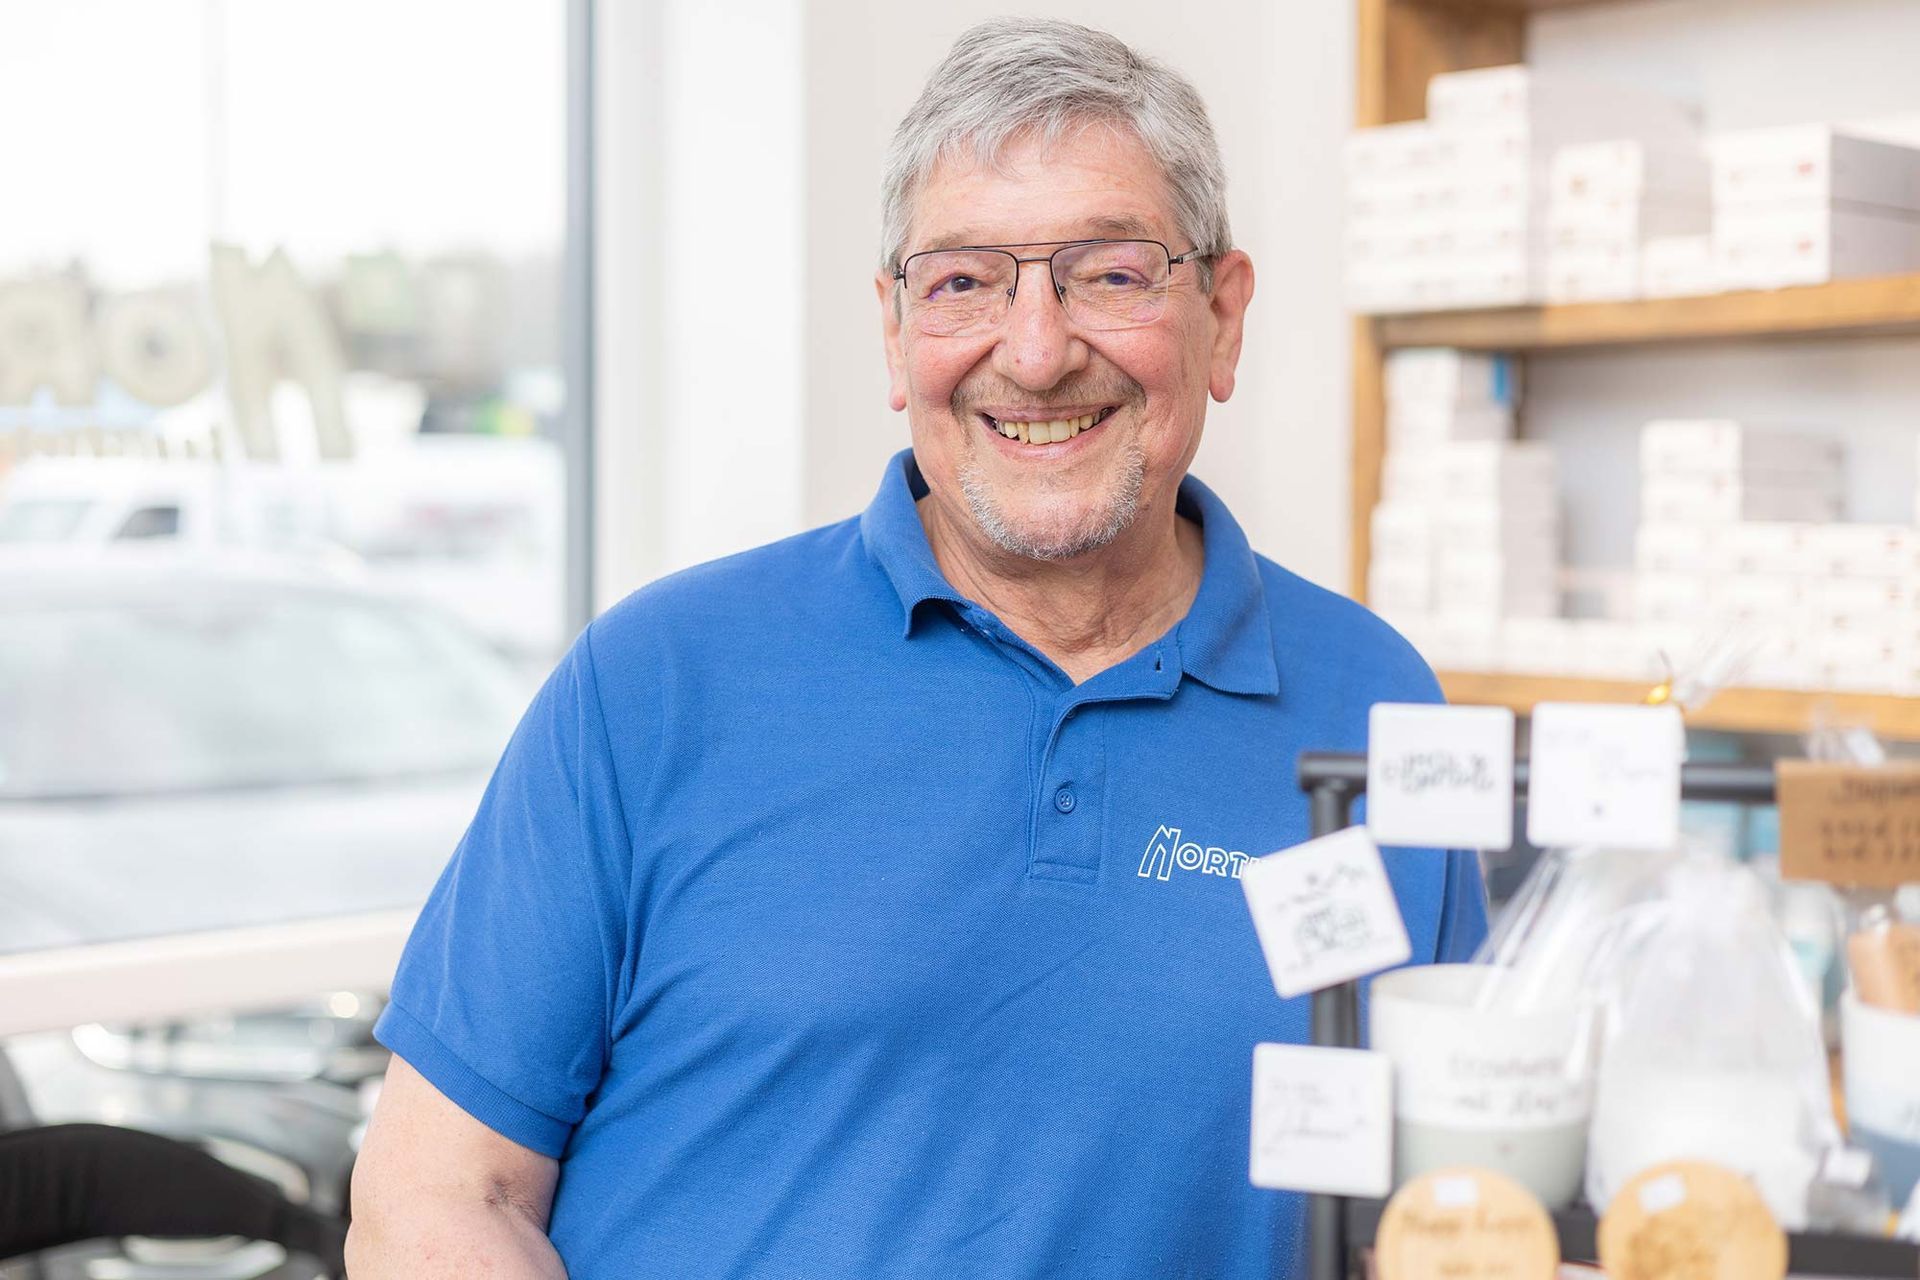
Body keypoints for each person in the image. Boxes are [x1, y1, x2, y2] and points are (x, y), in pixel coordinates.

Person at [347, 17, 1486, 1279]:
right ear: (894, 332)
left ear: (1221, 318)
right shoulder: (658, 682)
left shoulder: (1379, 710)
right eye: (963, 283)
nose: (1039, 351)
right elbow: (438, 1200)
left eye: (1110, 273)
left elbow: (1437, 1213)